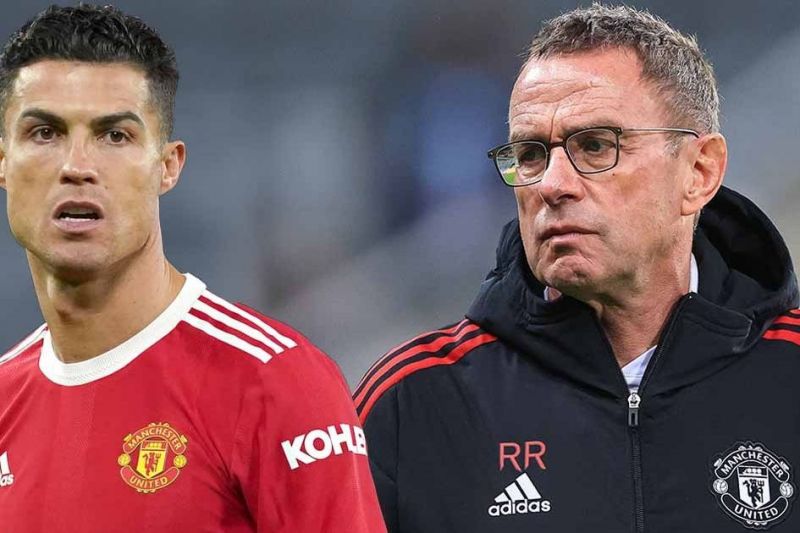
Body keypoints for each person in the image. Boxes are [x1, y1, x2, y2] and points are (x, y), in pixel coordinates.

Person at [355, 5, 800, 532]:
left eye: (595, 146)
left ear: (699, 172)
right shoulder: (412, 404)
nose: (551, 184)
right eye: (530, 153)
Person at [0, 5, 385, 532]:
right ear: (4, 162)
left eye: (115, 135)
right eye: (45, 132)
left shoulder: (273, 382)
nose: (77, 167)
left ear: (168, 167)